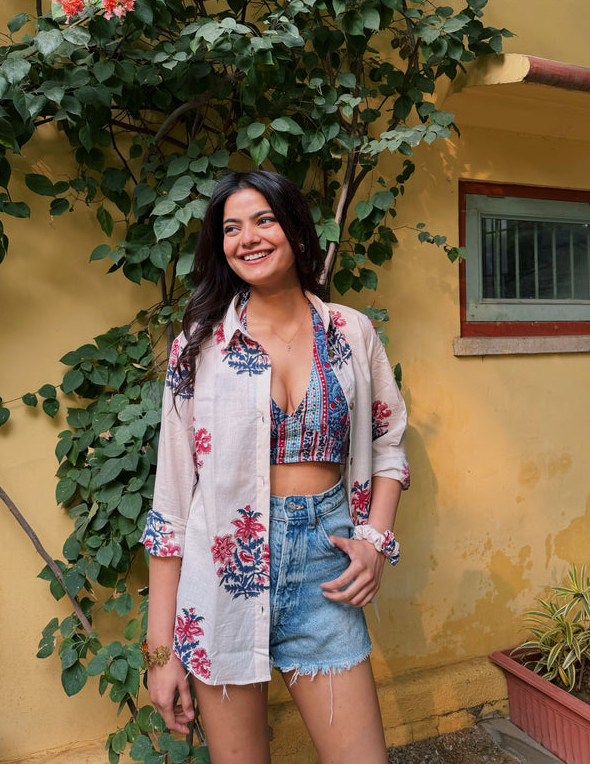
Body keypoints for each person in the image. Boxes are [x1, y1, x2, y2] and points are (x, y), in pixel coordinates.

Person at [140, 170, 409, 764]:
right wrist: (162, 653)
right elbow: (173, 502)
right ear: (221, 245)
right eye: (231, 227)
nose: (249, 238)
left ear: (294, 228)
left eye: (263, 219)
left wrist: (372, 540)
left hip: (325, 575)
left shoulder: (351, 333)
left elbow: (388, 443)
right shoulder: (200, 346)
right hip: (222, 578)